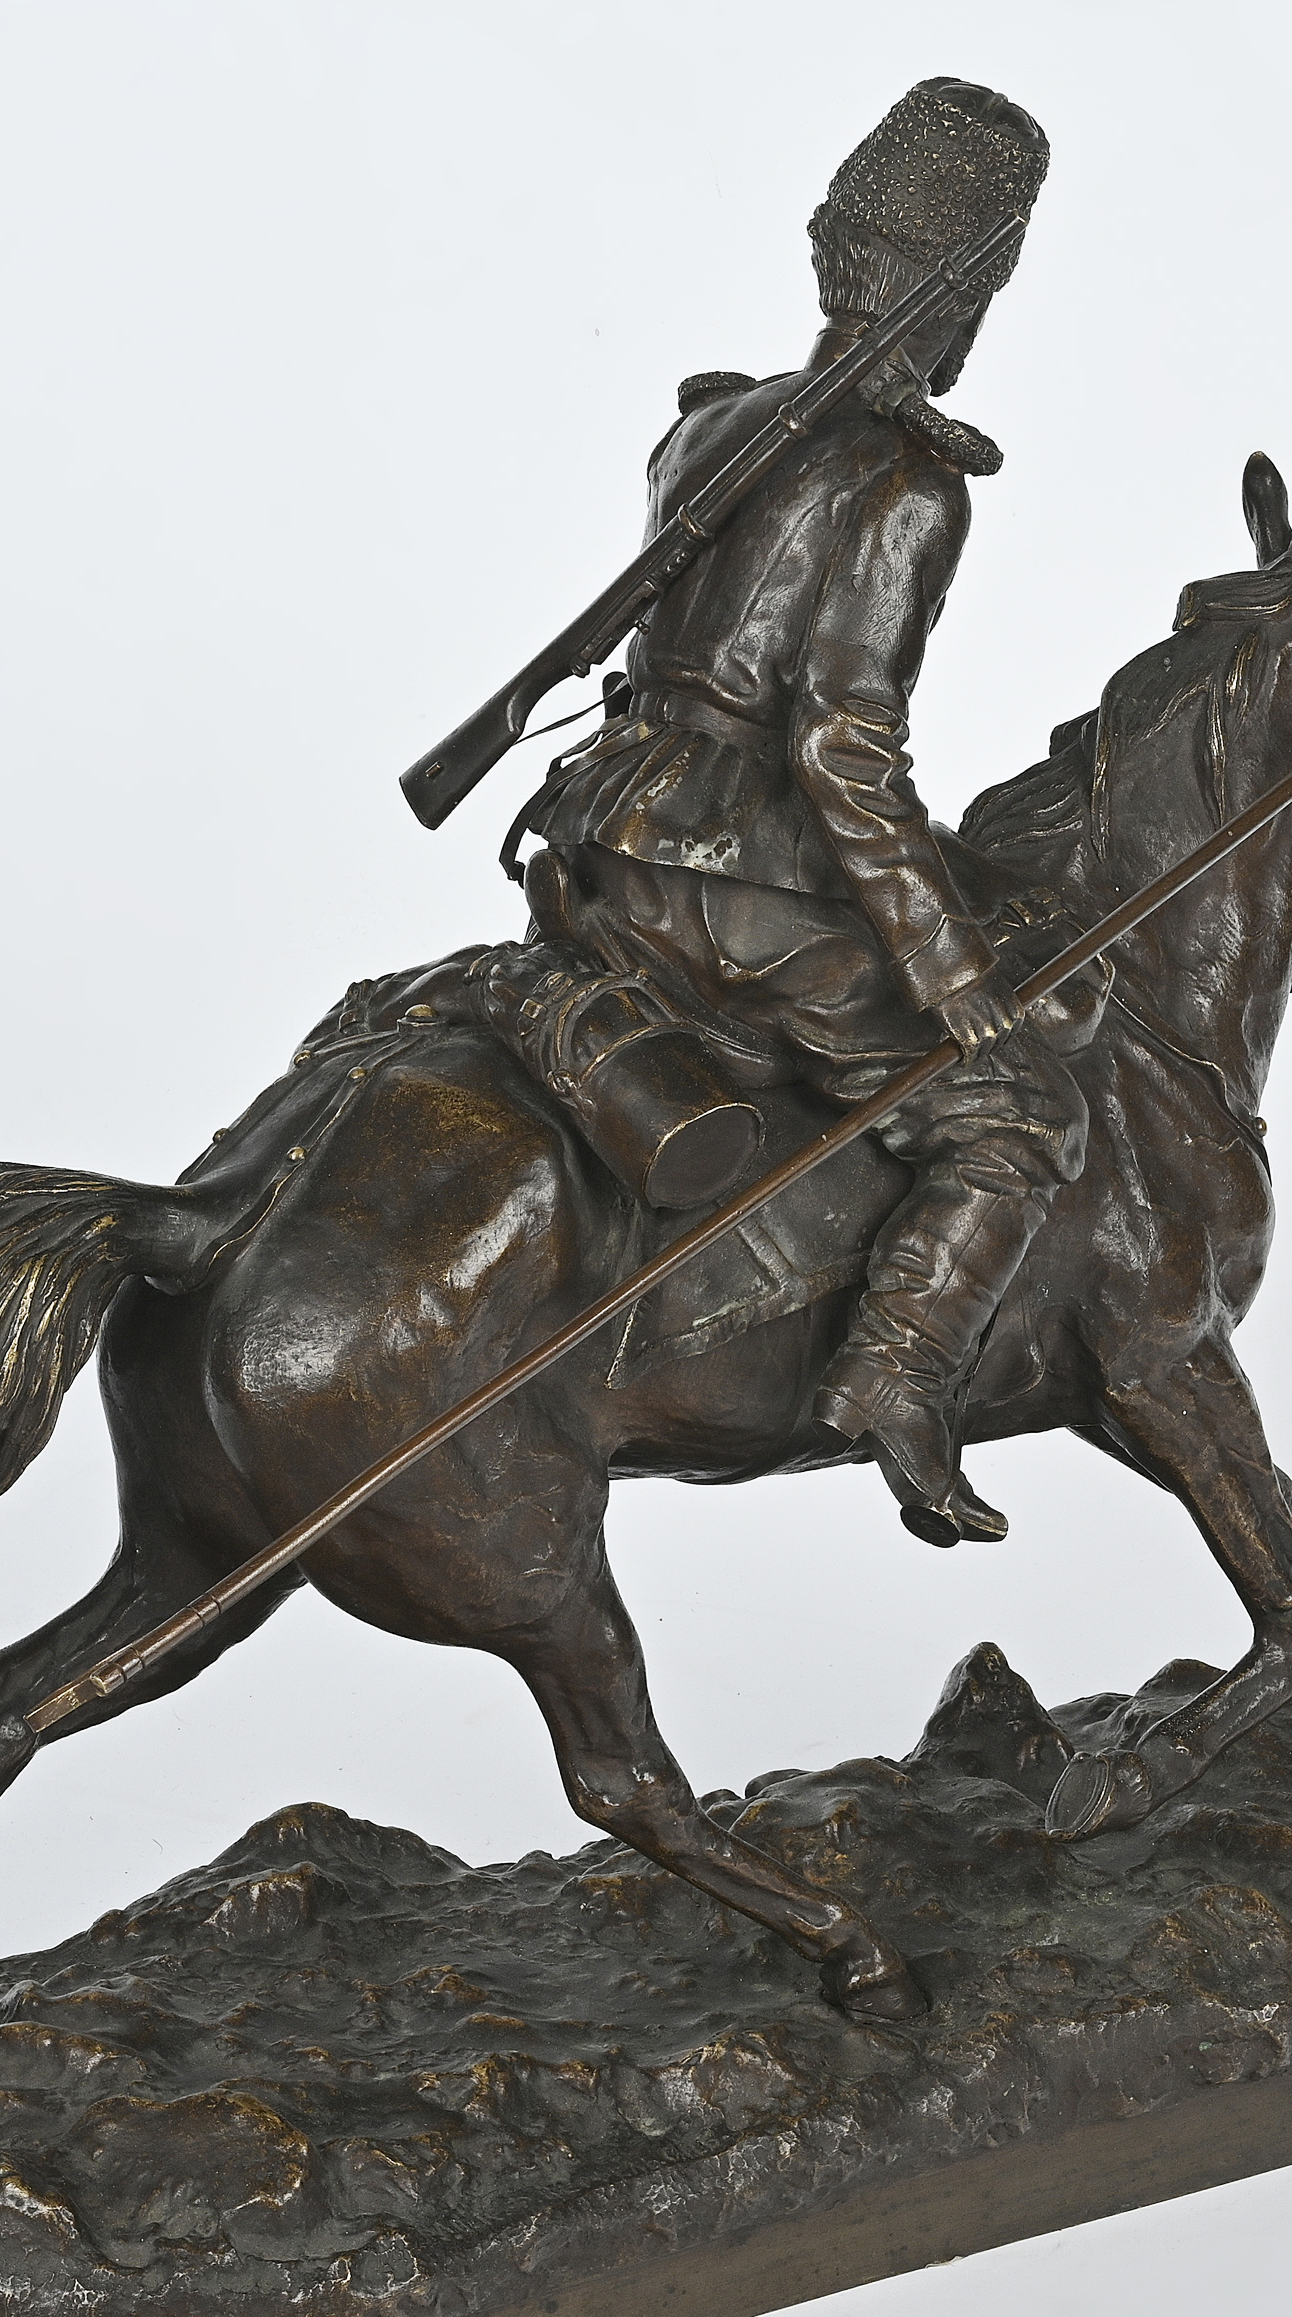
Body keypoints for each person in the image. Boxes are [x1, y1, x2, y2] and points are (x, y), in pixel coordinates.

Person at [488, 78, 1082, 1548]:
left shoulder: (706, 427)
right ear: (967, 296)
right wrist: (952, 969)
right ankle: (896, 1381)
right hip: (735, 896)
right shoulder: (908, 482)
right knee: (1019, 1109)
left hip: (599, 846)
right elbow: (839, 750)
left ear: (835, 253)